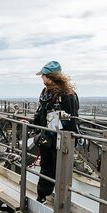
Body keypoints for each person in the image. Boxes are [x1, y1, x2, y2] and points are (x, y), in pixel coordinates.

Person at [32, 61, 79, 203]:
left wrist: (70, 140)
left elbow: (71, 119)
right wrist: (32, 125)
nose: (42, 78)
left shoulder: (67, 95)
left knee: (57, 168)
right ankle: (44, 195)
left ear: (50, 76)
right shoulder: (47, 93)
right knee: (48, 167)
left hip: (61, 138)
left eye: (43, 75)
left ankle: (59, 198)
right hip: (48, 137)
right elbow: (41, 115)